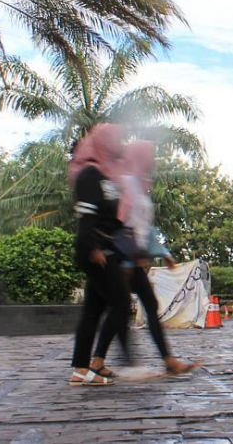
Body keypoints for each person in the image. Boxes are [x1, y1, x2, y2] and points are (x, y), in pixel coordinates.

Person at [92, 140, 196, 376]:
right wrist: (127, 261)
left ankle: (167, 360)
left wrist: (163, 253)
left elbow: (145, 228)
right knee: (120, 307)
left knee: (144, 304)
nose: (152, 159)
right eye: (149, 155)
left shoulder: (140, 186)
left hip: (133, 259)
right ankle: (98, 360)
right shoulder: (126, 184)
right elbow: (120, 224)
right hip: (121, 258)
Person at [67, 124, 131, 386]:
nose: (120, 144)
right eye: (115, 140)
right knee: (122, 304)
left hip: (107, 249)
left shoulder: (106, 177)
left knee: (93, 309)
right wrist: (93, 248)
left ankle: (81, 370)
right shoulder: (90, 175)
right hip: (94, 249)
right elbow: (87, 218)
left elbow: (113, 218)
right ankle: (87, 366)